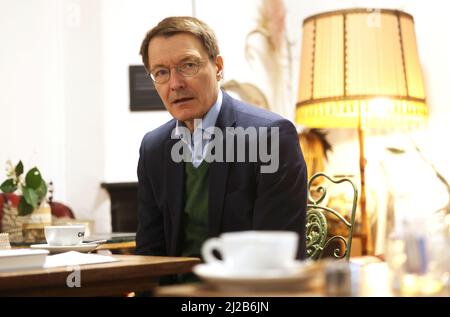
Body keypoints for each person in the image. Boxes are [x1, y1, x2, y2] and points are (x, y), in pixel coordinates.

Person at [135, 16, 308, 277]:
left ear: (218, 67)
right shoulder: (154, 148)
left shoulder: (271, 136)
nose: (175, 83)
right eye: (161, 72)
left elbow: (274, 258)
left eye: (188, 65)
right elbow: (149, 253)